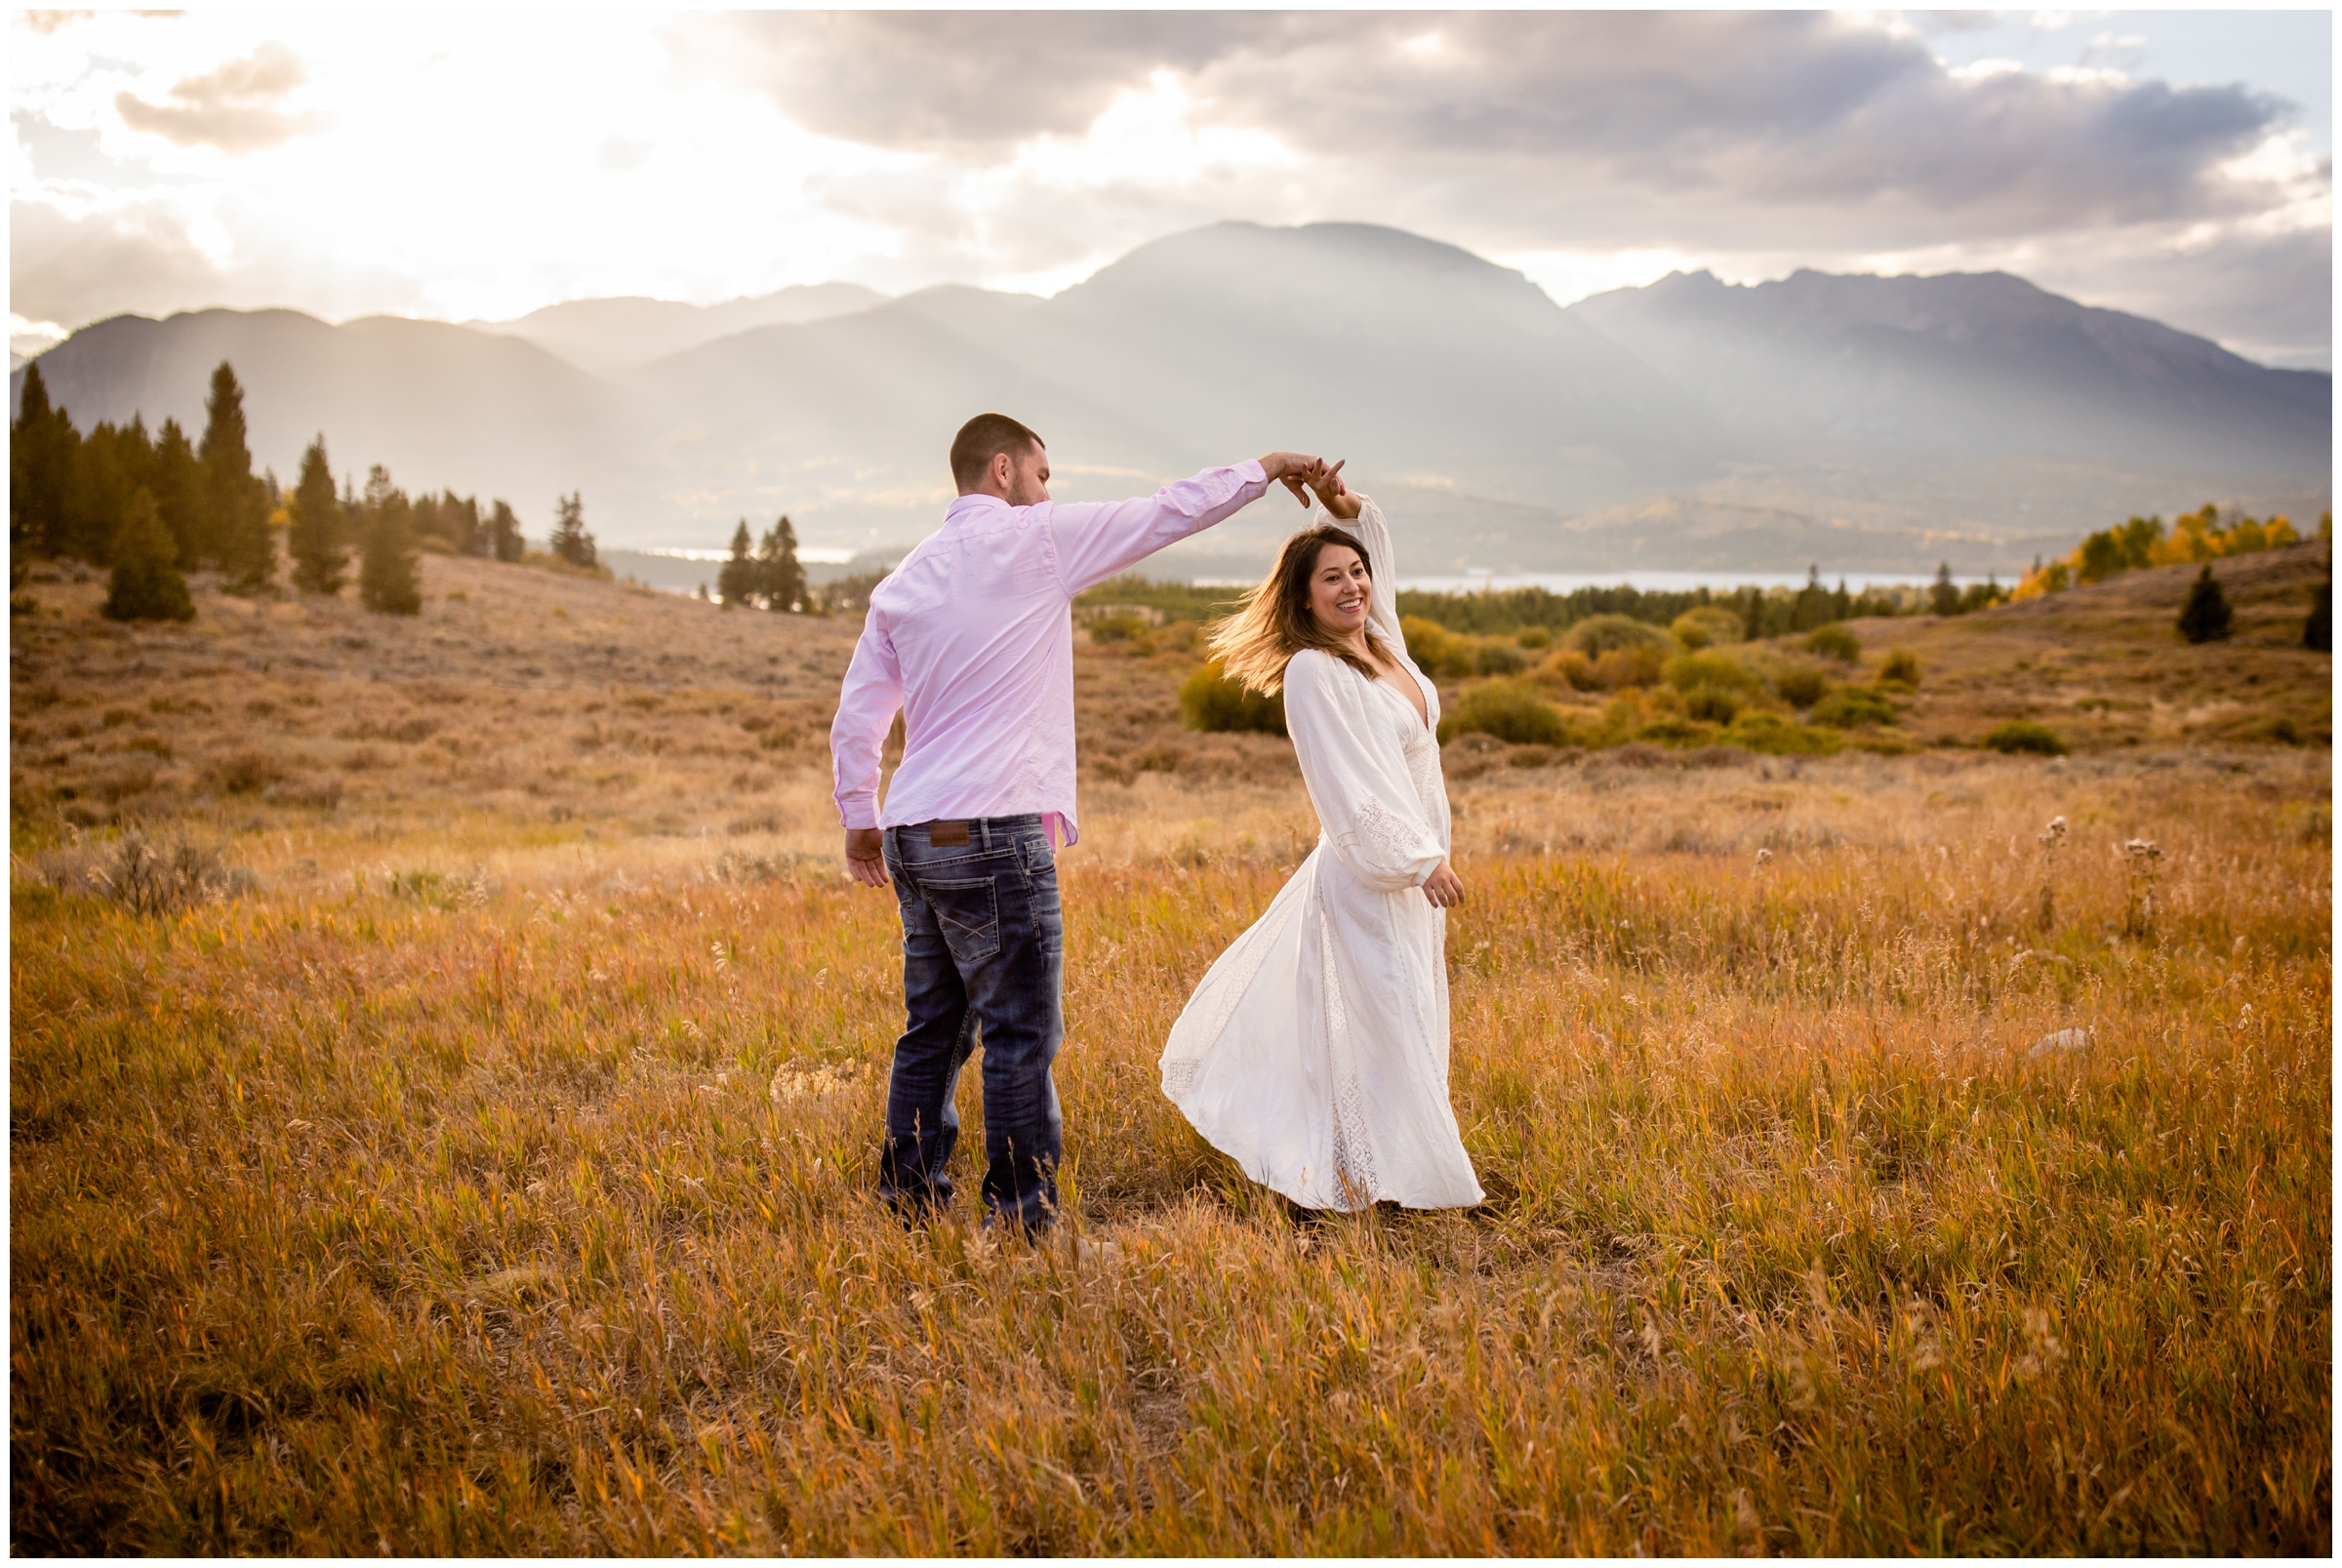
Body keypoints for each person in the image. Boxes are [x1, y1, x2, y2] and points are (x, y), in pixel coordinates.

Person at [832, 412, 1326, 1232]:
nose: (1048, 489)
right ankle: (1022, 1218)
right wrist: (1266, 466)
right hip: (994, 832)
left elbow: (859, 715)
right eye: (1042, 473)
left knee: (933, 1029)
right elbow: (1169, 510)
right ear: (1002, 470)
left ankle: (908, 1198)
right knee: (1021, 1032)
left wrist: (860, 816)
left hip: (916, 831)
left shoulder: (904, 580)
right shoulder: (1040, 543)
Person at [1158, 462, 1483, 1213]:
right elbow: (1345, 785)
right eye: (1331, 578)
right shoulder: (1314, 670)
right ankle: (1368, 1177)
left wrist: (1351, 509)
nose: (1353, 586)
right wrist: (1416, 858)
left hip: (1414, 869)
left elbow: (1378, 558)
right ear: (1303, 597)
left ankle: (1385, 1170)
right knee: (1385, 1021)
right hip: (1372, 874)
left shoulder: (1382, 643)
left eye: (1357, 572)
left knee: (1410, 1014)